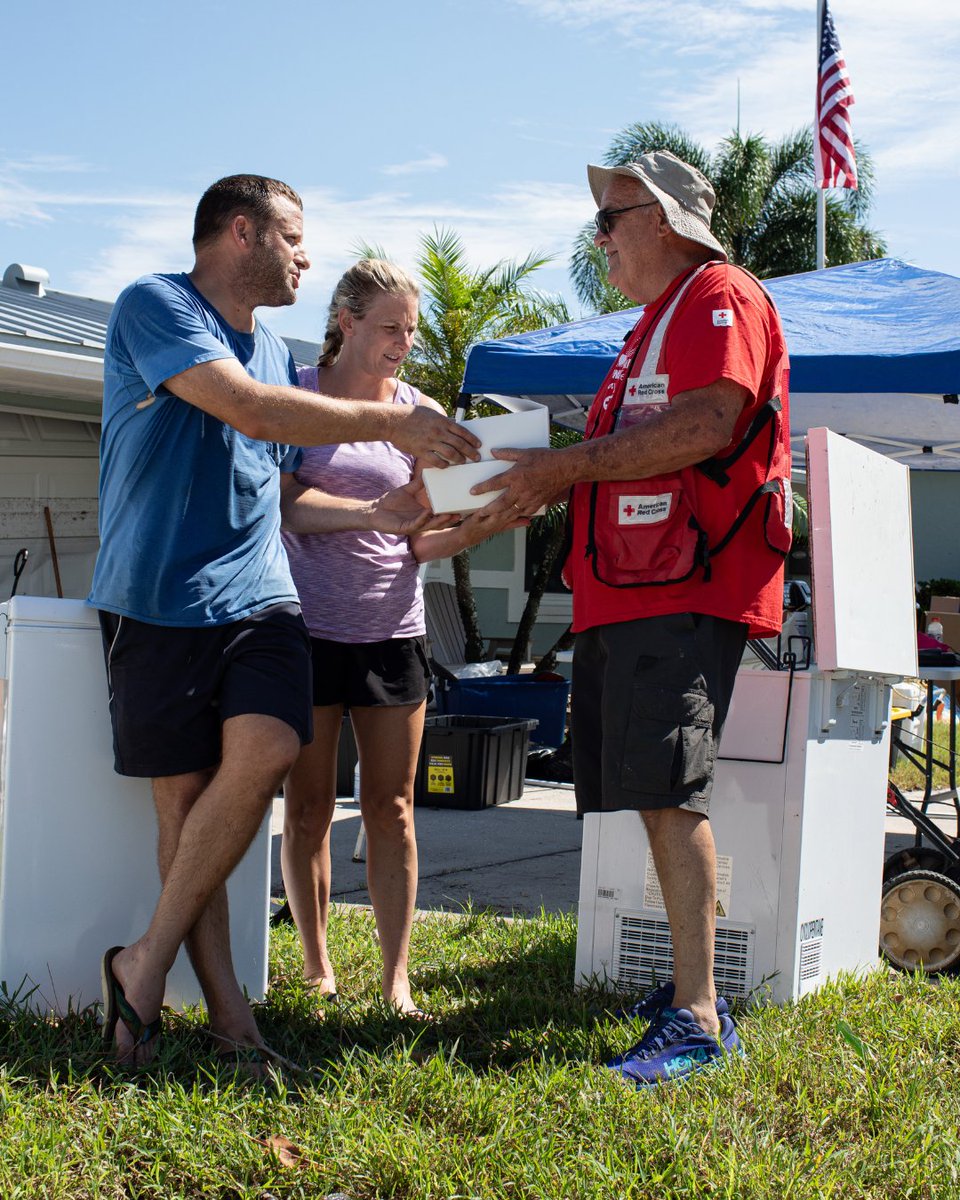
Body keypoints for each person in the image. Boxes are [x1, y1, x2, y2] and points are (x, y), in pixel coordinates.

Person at [89, 175, 480, 1069]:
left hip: (262, 597)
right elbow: (252, 412)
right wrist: (396, 423)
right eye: (294, 239)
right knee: (186, 806)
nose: (306, 256)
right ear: (240, 231)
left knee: (267, 750)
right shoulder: (157, 305)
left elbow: (276, 485)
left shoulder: (273, 348)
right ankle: (225, 1015)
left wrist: (435, 506)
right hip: (156, 598)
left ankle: (145, 961)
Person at [473, 150, 791, 1085]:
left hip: (684, 587)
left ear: (665, 218)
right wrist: (529, 478)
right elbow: (627, 451)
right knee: (648, 791)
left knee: (668, 791)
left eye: (609, 219)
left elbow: (704, 426)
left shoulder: (716, 293)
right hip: (632, 588)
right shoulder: (654, 322)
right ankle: (692, 992)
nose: (598, 239)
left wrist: (556, 469)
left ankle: (697, 1014)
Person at [279, 258, 524, 1017]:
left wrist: (479, 524)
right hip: (306, 630)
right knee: (309, 803)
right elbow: (283, 505)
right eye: (390, 327)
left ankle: (396, 978)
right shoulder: (297, 392)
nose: (403, 343)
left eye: (410, 330)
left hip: (391, 631)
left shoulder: (418, 410)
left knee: (391, 807)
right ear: (346, 321)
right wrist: (369, 513)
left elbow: (418, 540)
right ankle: (319, 966)